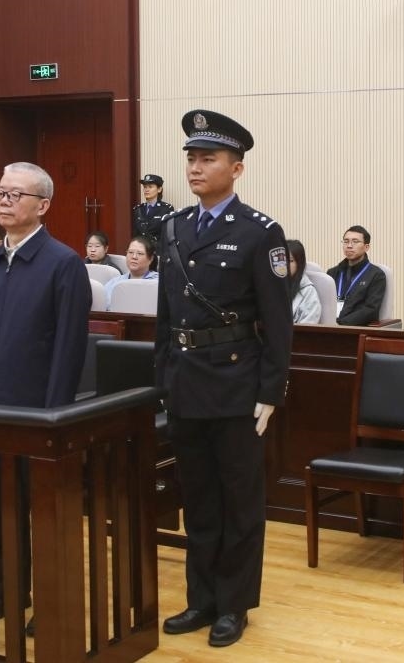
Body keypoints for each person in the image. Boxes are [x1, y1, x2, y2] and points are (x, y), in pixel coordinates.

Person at [156, 110, 292, 648]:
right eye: (191, 158)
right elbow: (167, 315)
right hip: (186, 382)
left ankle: (233, 604)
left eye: (207, 159)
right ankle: (201, 598)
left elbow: (277, 321)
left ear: (236, 168)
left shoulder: (260, 232)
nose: (195, 167)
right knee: (198, 497)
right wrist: (163, 377)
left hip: (237, 386)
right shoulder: (174, 227)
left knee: (239, 501)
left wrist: (271, 391)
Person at [0, 161, 91, 635]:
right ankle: (4, 591)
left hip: (36, 413)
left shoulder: (63, 263)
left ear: (43, 205)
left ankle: (50, 601)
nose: (4, 201)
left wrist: (53, 416)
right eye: (0, 193)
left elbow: (68, 349)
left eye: (16, 195)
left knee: (40, 513)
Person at [326, 226, 386, 325]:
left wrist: (341, 324)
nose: (349, 246)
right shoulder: (332, 273)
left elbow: (370, 310)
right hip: (329, 326)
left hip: (356, 329)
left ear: (366, 247)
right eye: (346, 241)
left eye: (355, 241)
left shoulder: (376, 275)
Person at [104, 235, 158, 308]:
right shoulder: (114, 282)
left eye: (140, 253)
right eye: (130, 252)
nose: (134, 257)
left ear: (151, 259)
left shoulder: (158, 283)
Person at [131, 173, 175, 243]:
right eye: (145, 187)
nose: (146, 190)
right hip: (142, 248)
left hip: (158, 248)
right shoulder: (138, 209)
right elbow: (135, 235)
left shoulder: (166, 209)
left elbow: (168, 235)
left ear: (159, 189)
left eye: (150, 187)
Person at [287, 239, 321, 324]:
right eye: (281, 260)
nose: (285, 264)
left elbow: (308, 326)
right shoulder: (271, 287)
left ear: (299, 263)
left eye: (290, 261)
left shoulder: (308, 291)